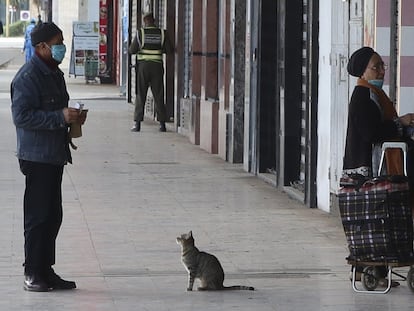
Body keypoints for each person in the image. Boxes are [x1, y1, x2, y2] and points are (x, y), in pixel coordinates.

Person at [11, 22, 87, 292]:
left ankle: (46, 269)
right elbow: (21, 116)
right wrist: (59, 117)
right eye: (57, 43)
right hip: (36, 156)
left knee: (53, 215)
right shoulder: (28, 77)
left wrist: (73, 117)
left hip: (54, 154)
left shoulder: (54, 74)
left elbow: (59, 108)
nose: (61, 47)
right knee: (37, 216)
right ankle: (32, 272)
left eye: (62, 41)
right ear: (41, 47)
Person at [343, 46, 414, 287]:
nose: (382, 70)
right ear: (363, 71)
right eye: (376, 66)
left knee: (379, 218)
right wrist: (399, 122)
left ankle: (375, 272)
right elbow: (371, 132)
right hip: (368, 168)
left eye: (382, 66)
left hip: (375, 166)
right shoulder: (364, 96)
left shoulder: (373, 93)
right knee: (373, 218)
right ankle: (370, 271)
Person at [128, 12, 174, 132]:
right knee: (159, 94)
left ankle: (137, 124)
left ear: (145, 21)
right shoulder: (162, 33)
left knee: (140, 95)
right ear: (154, 21)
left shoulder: (140, 33)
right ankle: (162, 124)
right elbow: (169, 50)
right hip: (157, 67)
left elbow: (132, 50)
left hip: (143, 67)